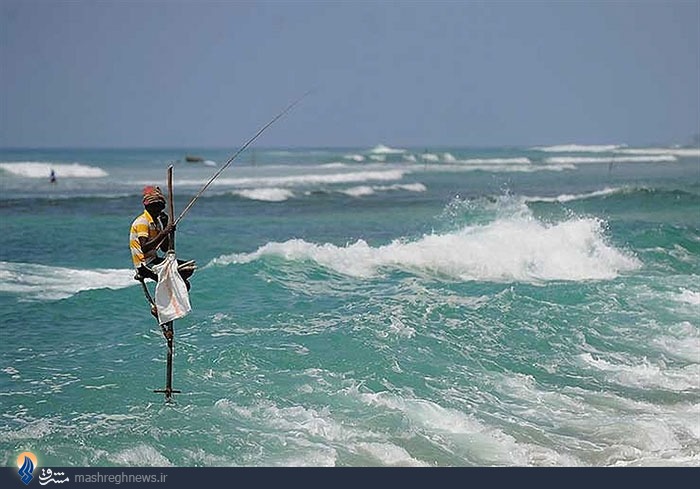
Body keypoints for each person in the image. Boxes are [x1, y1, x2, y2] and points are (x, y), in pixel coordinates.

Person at [130, 185, 195, 296]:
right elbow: (145, 248)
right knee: (181, 282)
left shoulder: (156, 224)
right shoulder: (143, 222)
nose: (157, 210)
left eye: (159, 206)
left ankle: (169, 292)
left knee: (188, 269)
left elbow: (164, 248)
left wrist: (165, 226)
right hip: (144, 264)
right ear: (147, 207)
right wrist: (164, 232)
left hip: (154, 260)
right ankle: (163, 300)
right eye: (154, 206)